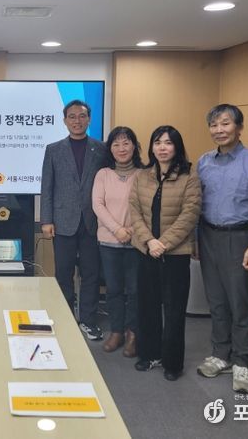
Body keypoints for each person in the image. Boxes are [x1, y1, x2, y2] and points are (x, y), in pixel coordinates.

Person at [196, 104, 248, 393]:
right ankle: (220, 354)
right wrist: (195, 239)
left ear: (239, 127)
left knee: (240, 303)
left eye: (225, 124)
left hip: (240, 238)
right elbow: (197, 204)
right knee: (216, 301)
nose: (219, 130)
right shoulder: (204, 162)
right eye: (214, 125)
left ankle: (242, 362)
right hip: (208, 236)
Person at [129, 125, 201, 381]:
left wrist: (163, 243)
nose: (162, 147)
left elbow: (190, 214)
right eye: (157, 142)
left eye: (168, 143)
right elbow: (134, 211)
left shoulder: (189, 177)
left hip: (175, 255)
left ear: (177, 147)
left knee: (174, 310)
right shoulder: (142, 175)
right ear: (151, 147)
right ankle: (149, 355)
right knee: (147, 306)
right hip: (146, 251)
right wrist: (150, 241)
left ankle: (172, 363)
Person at [40, 99, 106, 340]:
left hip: (92, 221)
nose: (77, 121)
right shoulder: (53, 149)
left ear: (89, 119)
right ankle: (66, 316)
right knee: (63, 273)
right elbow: (47, 187)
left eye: (82, 116)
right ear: (65, 120)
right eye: (72, 116)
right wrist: (46, 220)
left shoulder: (101, 149)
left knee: (91, 273)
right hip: (62, 221)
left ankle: (88, 320)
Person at [92, 126, 142, 356]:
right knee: (113, 290)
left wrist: (131, 230)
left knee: (135, 290)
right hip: (109, 241)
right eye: (116, 144)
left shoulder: (144, 174)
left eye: (126, 143)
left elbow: (148, 207)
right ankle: (116, 331)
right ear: (110, 149)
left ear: (134, 146)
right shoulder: (103, 174)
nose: (121, 148)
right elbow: (98, 205)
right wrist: (117, 229)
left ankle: (133, 333)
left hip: (136, 242)